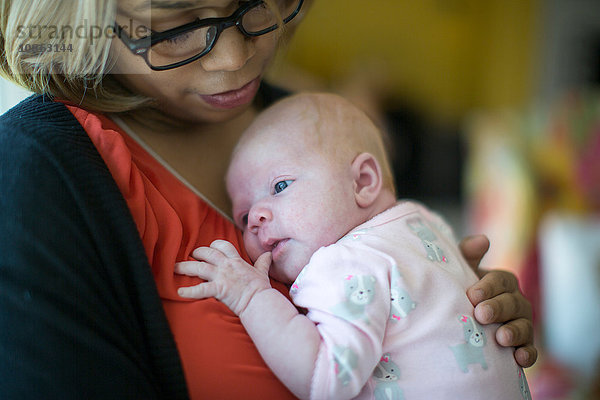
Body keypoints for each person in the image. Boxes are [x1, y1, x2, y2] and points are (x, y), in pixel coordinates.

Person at [0, 1, 535, 398]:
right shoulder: (38, 179)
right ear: (79, 16)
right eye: (178, 25)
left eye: (253, 4)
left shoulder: (303, 124)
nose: (236, 60)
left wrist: (457, 312)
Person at [175, 92, 532, 399]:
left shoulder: (343, 263)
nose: (256, 218)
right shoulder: (425, 224)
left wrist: (251, 297)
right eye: (243, 216)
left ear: (363, 181)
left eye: (280, 186)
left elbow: (325, 378)